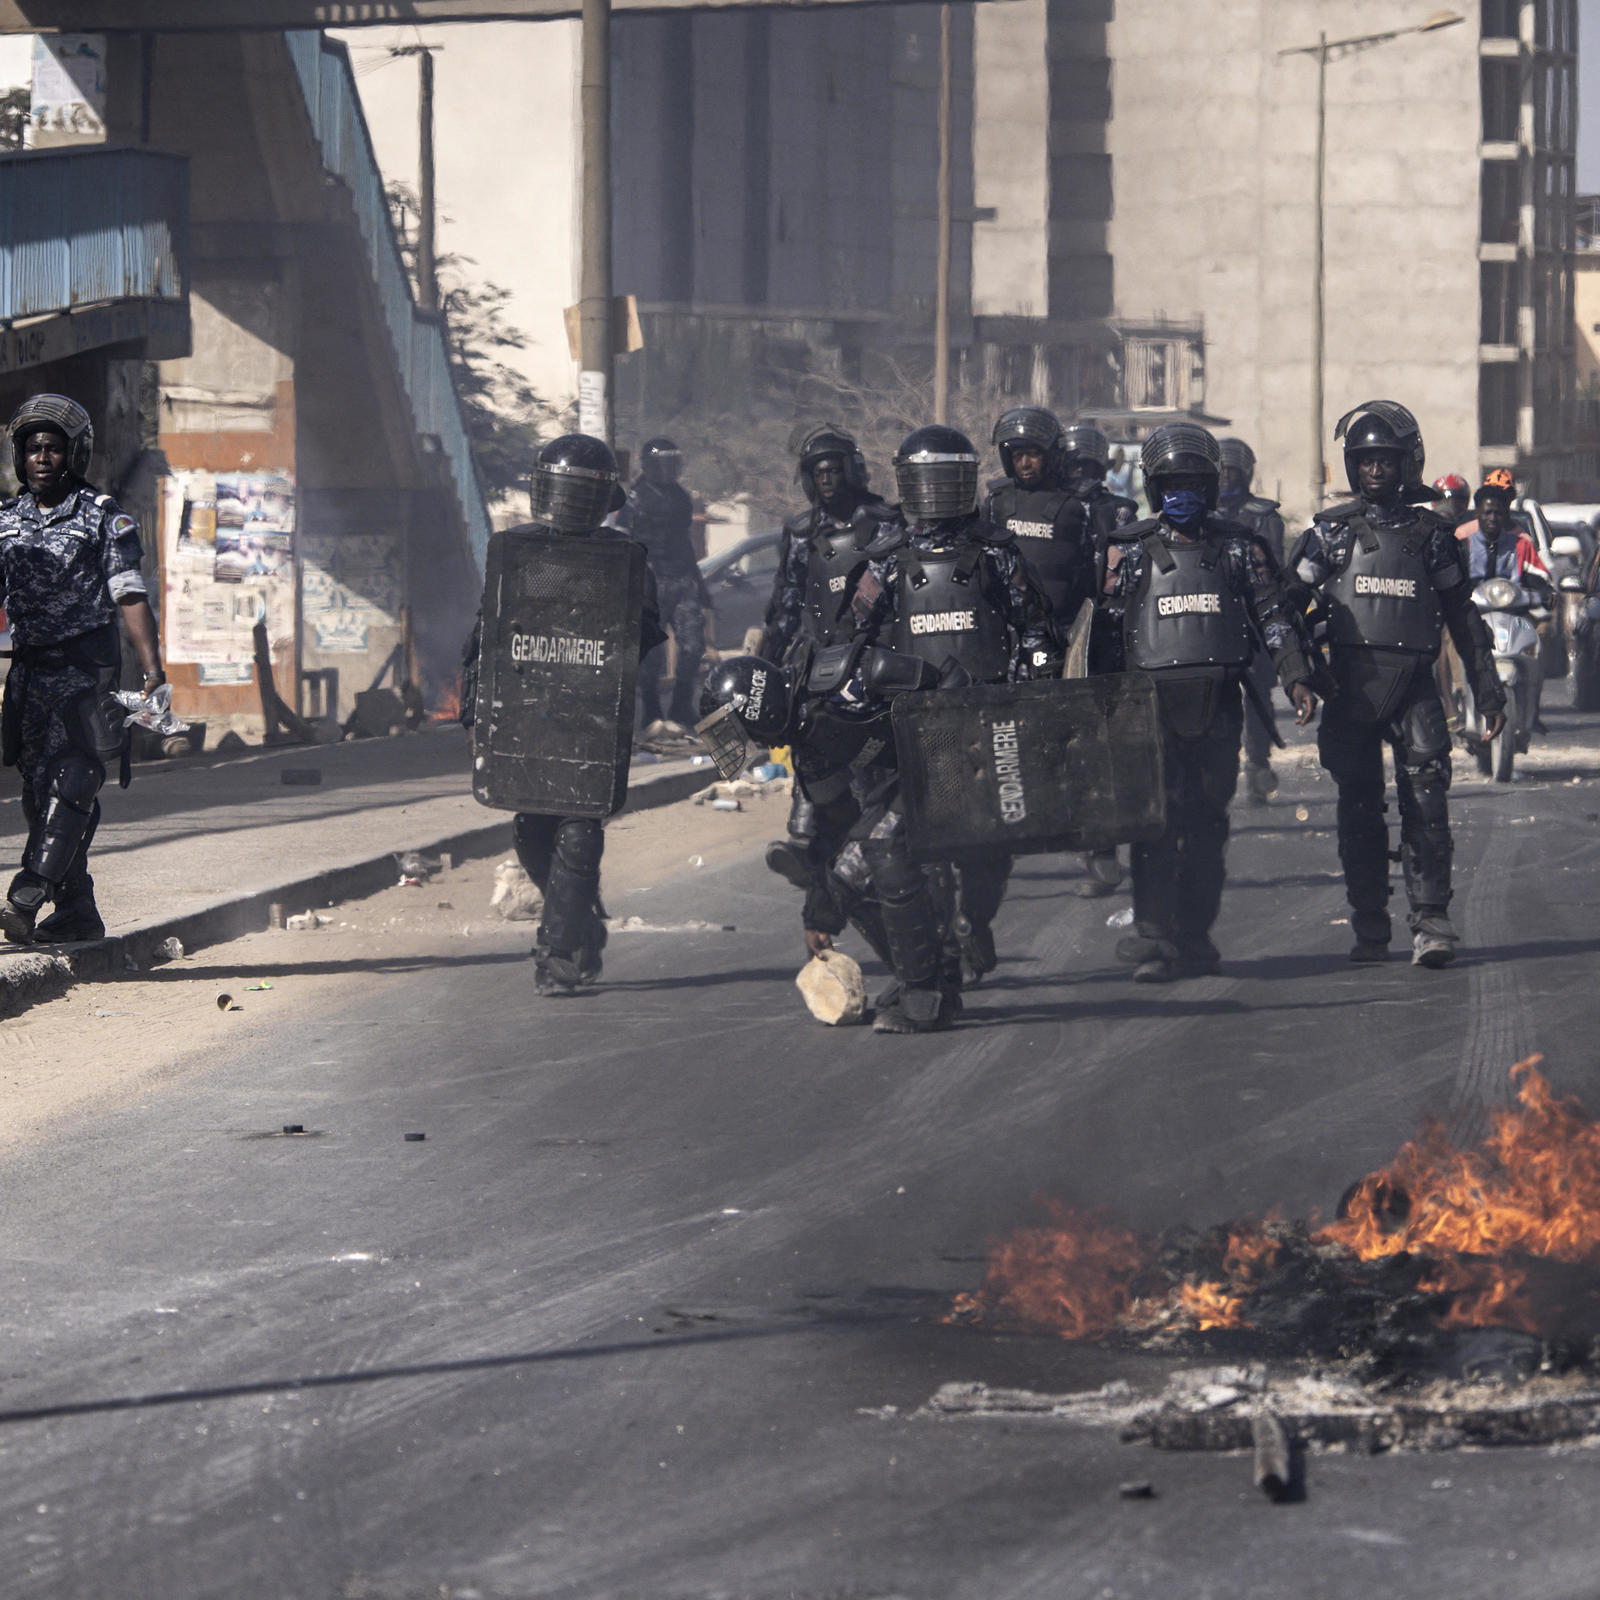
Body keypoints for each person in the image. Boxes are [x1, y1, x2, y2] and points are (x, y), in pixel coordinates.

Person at [1100, 423, 1319, 983]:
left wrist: (1296, 676)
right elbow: (1101, 633)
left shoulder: (1240, 548)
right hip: (1147, 710)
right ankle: (1153, 935)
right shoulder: (1126, 551)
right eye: (1171, 483)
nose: (1184, 494)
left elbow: (1273, 616)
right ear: (1152, 486)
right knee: (1152, 824)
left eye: (1195, 482)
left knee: (1205, 825)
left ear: (1213, 484)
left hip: (1220, 706)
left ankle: (1194, 937)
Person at [1289, 400, 1504, 968]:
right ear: (1352, 465)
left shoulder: (1433, 535)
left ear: (1406, 463)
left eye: (1385, 460)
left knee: (1428, 805)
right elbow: (1285, 608)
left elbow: (1463, 615)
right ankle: (1369, 924)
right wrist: (1300, 672)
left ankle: (1432, 921)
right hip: (1349, 688)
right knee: (1358, 811)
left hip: (1414, 686)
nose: (1375, 472)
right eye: (1365, 462)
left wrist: (1488, 691)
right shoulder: (1329, 535)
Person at [846, 424, 1056, 1004]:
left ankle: (975, 921)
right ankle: (936, 971)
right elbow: (854, 642)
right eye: (925, 479)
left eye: (947, 478)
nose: (936, 491)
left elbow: (1033, 629)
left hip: (988, 720)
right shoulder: (887, 561)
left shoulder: (996, 551)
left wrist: (1033, 688)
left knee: (989, 847)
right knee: (924, 853)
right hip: (913, 727)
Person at [461, 434, 665, 996]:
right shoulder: (517, 552)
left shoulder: (625, 560)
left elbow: (643, 635)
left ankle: (556, 957)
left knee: (579, 835)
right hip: (528, 714)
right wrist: (474, 715)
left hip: (589, 718)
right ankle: (583, 923)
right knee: (531, 834)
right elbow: (487, 639)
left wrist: (594, 632)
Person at [0, 395, 163, 944]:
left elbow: (130, 593)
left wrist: (152, 669)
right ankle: (78, 911)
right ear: (19, 456)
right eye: (32, 448)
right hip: (29, 673)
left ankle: (26, 892)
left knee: (73, 784)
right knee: (36, 793)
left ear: (74, 453)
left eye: (52, 447)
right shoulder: (5, 521)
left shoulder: (102, 515)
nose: (42, 457)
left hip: (86, 668)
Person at [757, 425, 896, 889]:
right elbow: (787, 602)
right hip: (817, 657)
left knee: (875, 758)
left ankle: (872, 842)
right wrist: (771, 660)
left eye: (835, 470)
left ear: (852, 471)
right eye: (819, 473)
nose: (828, 480)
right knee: (808, 737)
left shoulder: (884, 520)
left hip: (875, 655)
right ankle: (807, 839)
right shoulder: (800, 533)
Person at [615, 436, 705, 736]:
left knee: (693, 646)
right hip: (649, 581)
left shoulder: (681, 497)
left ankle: (681, 706)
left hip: (682, 579)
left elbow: (685, 542)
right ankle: (652, 710)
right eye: (662, 463)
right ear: (649, 465)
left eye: (672, 463)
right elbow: (623, 542)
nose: (668, 469)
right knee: (650, 652)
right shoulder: (634, 500)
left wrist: (698, 584)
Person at [1218, 436, 1289, 806]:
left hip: (1254, 619)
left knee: (1259, 697)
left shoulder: (1262, 516)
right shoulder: (1201, 515)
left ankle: (1258, 765)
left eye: (1233, 470)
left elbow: (1272, 571)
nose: (1226, 477)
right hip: (1213, 620)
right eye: (1221, 469)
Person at [1462, 468, 1553, 737]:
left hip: (1514, 612)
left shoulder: (1521, 543)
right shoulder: (1463, 540)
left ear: (1507, 510)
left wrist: (1546, 591)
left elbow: (1539, 575)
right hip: (1470, 613)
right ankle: (1455, 708)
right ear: (1477, 511)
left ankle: (1532, 709)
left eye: (1498, 511)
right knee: (1448, 643)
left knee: (1538, 643)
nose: (1492, 518)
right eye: (1487, 512)